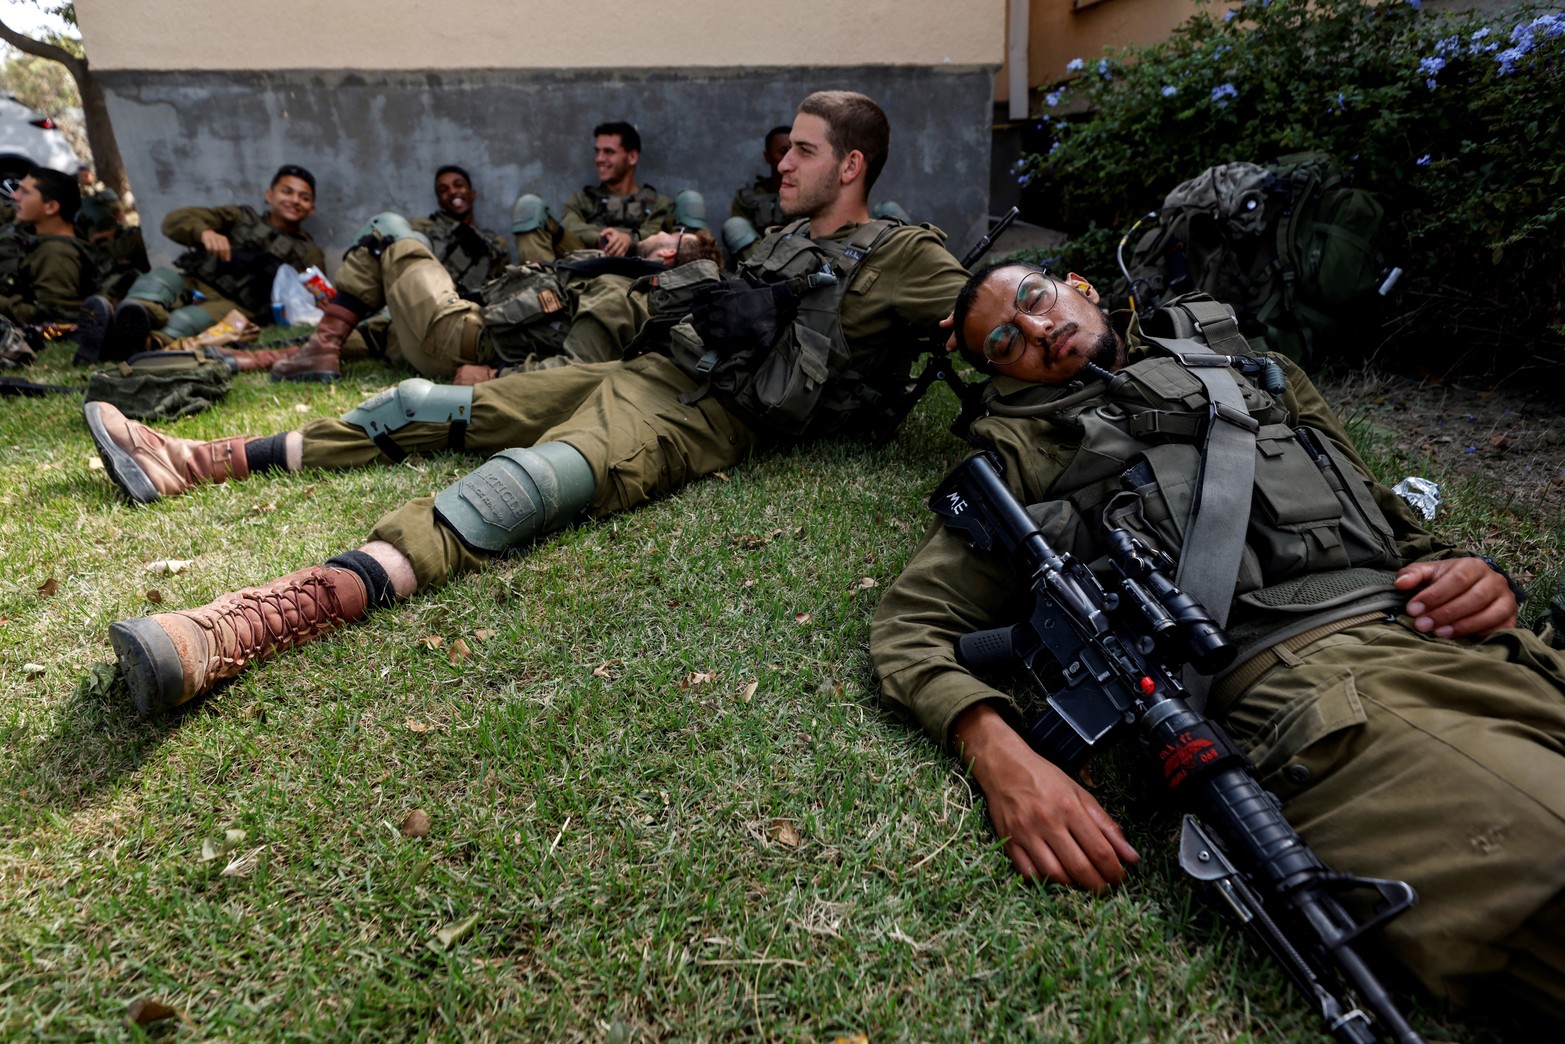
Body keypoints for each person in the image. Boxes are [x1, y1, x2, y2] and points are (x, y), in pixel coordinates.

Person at [86, 90, 968, 723]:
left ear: (850, 164)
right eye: (789, 147)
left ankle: (253, 621)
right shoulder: (784, 235)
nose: (783, 159)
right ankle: (201, 459)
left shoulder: (901, 252)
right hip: (646, 369)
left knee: (521, 488)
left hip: (708, 416)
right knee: (416, 403)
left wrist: (1014, 329)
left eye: (804, 149)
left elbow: (983, 311)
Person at [870, 260, 1565, 1021]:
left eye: (1034, 300)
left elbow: (1380, 516)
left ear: (1080, 286)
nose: (1037, 331)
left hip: (1483, 648)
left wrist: (1471, 571)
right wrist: (1000, 756)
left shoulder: (1244, 363)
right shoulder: (1022, 456)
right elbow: (909, 630)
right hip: (1321, 691)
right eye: (1005, 343)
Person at [257, 219, 721, 382]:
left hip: (460, 337)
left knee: (392, 235)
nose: (659, 229)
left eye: (669, 230)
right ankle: (261, 358)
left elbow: (577, 367)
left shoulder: (621, 293)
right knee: (378, 336)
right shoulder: (617, 272)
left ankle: (322, 348)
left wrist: (495, 376)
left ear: (667, 253)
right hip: (464, 324)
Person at [74, 164, 325, 363]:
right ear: (269, 195)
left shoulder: (308, 252)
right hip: (197, 280)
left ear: (311, 208)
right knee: (158, 280)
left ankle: (141, 344)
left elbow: (311, 297)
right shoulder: (238, 217)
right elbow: (173, 222)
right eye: (287, 191)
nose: (294, 200)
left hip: (234, 305)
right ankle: (132, 315)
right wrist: (204, 233)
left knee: (185, 321)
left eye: (304, 197)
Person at [513, 121, 706, 263]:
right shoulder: (582, 201)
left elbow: (658, 234)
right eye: (597, 151)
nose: (599, 159)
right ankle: (543, 297)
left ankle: (693, 292)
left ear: (632, 157)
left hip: (645, 269)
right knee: (530, 206)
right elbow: (571, 225)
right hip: (585, 266)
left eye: (608, 152)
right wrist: (602, 238)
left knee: (690, 202)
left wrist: (629, 240)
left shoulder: (657, 203)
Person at [0, 166, 96, 326]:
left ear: (51, 207)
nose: (14, 195)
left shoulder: (57, 254)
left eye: (25, 192)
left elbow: (53, 317)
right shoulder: (37, 235)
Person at [409, 164, 512, 293]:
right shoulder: (424, 227)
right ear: (440, 201)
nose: (452, 191)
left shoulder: (496, 244)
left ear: (472, 194)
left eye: (458, 185)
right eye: (444, 190)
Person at [723, 124, 791, 263]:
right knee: (735, 225)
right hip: (758, 260)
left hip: (798, 256)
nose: (789, 158)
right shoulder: (748, 198)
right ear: (767, 156)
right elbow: (739, 236)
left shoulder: (810, 192)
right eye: (783, 151)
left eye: (795, 151)